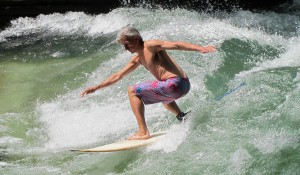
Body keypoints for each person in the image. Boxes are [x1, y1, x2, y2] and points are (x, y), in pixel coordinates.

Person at [81, 27, 216, 140]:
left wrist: (200, 48)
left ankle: (143, 131)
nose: (125, 48)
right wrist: (96, 87)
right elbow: (118, 75)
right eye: (124, 46)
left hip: (175, 83)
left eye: (126, 44)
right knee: (165, 99)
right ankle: (182, 116)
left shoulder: (150, 46)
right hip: (183, 85)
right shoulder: (138, 58)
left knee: (133, 91)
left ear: (135, 39)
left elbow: (176, 45)